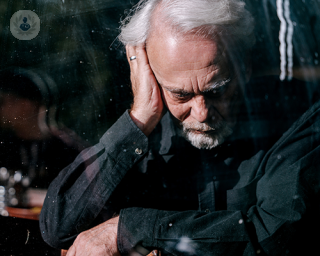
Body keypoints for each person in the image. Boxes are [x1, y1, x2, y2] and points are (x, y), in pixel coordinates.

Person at [40, 0, 320, 255]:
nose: (201, 112)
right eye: (180, 95)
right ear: (149, 73)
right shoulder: (148, 130)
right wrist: (138, 119)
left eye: (216, 91)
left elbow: (273, 236)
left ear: (244, 66)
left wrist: (130, 228)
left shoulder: (297, 117)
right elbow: (57, 227)